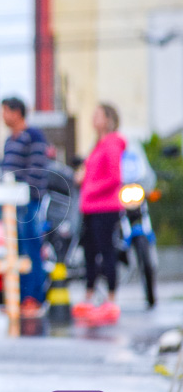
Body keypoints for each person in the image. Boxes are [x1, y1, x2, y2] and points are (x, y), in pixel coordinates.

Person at [74, 103, 126, 325]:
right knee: (89, 252)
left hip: (105, 206)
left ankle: (112, 300)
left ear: (108, 119)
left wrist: (89, 187)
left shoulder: (112, 143)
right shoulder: (97, 145)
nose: (93, 118)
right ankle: (89, 296)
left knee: (107, 252)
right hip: (90, 207)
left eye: (98, 115)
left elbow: (114, 178)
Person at [0, 96, 50, 318]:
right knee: (16, 251)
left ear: (16, 112)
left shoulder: (34, 136)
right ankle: (18, 297)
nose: (3, 117)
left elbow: (37, 168)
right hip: (11, 204)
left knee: (31, 249)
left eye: (5, 111)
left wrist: (26, 195)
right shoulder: (9, 140)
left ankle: (34, 298)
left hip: (27, 202)